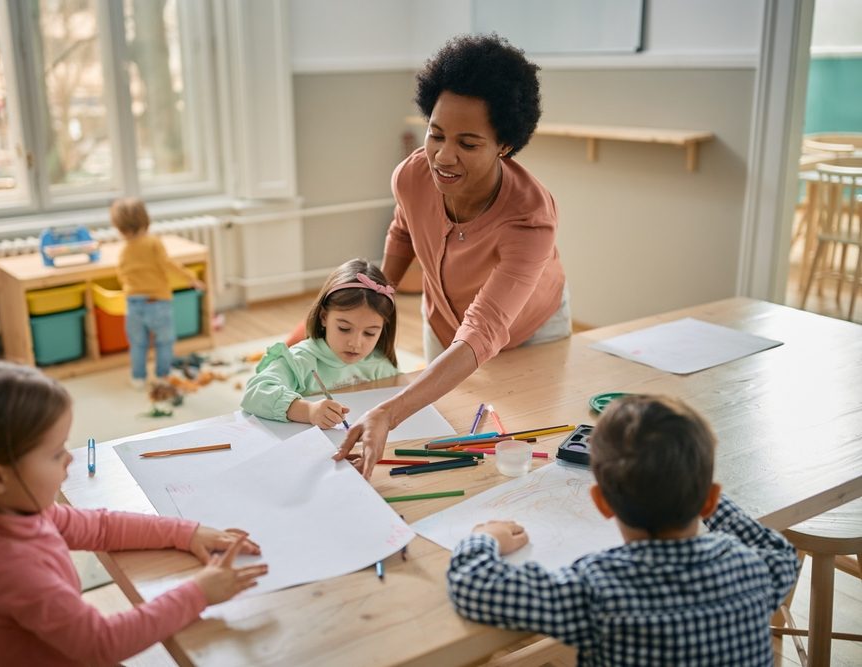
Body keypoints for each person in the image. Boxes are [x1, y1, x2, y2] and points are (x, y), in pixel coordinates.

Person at [0, 360, 268, 666]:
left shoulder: (5, 509)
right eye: (56, 452)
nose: (70, 458)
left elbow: (100, 526)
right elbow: (101, 643)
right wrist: (198, 592)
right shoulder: (9, 566)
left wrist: (184, 532)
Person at [334, 34, 570, 478]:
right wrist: (374, 302)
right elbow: (404, 229)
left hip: (529, 329)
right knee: (447, 436)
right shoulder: (411, 175)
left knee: (527, 450)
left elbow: (485, 329)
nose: (443, 156)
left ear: (504, 145)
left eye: (468, 143)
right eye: (435, 134)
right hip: (445, 319)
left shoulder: (530, 217)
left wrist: (387, 412)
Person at [446, 396, 799, 666]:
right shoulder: (755, 569)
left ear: (602, 503)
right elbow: (780, 552)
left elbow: (473, 583)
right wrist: (699, 492)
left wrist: (487, 537)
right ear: (710, 501)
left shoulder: (599, 588)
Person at [241, 259, 399, 428]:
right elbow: (255, 393)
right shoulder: (299, 360)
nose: (356, 343)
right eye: (344, 328)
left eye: (370, 333)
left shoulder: (379, 365)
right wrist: (307, 411)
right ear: (324, 317)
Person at [110, 197, 205, 389]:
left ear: (119, 227)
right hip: (158, 302)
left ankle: (138, 378)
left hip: (133, 304)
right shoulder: (153, 243)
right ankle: (162, 375)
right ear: (146, 220)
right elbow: (168, 264)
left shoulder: (124, 250)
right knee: (164, 342)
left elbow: (122, 273)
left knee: (138, 344)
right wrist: (190, 278)